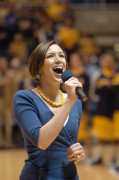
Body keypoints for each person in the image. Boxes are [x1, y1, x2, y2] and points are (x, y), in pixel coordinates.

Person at [13, 40, 85, 180]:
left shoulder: (75, 102)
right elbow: (42, 141)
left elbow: (69, 146)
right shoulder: (24, 98)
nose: (58, 60)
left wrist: (77, 154)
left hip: (68, 174)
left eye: (62, 56)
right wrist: (70, 101)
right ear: (39, 67)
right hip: (39, 175)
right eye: (51, 56)